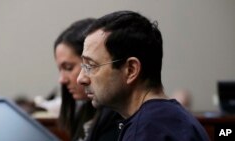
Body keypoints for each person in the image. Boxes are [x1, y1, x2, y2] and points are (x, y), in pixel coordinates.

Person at [77, 11, 210, 141]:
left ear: (131, 70)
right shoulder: (181, 119)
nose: (81, 79)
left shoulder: (144, 132)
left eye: (91, 66)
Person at [54, 18, 121, 141]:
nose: (62, 80)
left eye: (68, 67)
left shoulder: (117, 117)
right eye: (60, 70)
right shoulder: (85, 111)